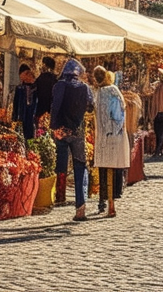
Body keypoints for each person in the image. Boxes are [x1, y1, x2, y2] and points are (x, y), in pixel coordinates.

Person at [50, 59, 94, 219]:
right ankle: (80, 206)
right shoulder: (84, 87)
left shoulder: (59, 86)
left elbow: (55, 106)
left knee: (60, 166)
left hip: (61, 130)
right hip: (78, 131)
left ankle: (57, 196)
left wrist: (54, 126)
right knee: (79, 166)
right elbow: (91, 105)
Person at [91, 66, 129, 219]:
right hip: (114, 135)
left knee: (104, 169)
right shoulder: (113, 91)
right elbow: (120, 113)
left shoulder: (99, 93)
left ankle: (104, 202)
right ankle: (110, 203)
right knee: (111, 169)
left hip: (104, 136)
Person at [12, 64, 39, 140]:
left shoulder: (36, 88)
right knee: (21, 135)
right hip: (22, 115)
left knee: (31, 134)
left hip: (32, 116)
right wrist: (14, 118)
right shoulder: (19, 88)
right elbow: (16, 104)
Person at [35, 56, 58, 124]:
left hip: (40, 108)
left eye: (42, 64)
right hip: (51, 109)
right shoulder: (55, 79)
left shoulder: (41, 78)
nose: (41, 66)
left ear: (45, 65)